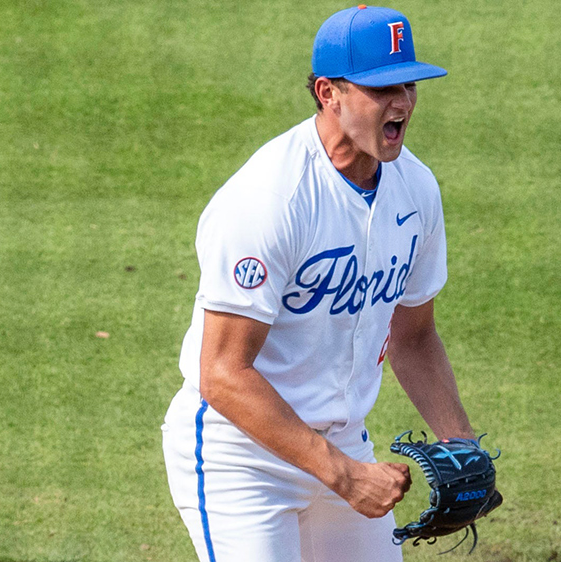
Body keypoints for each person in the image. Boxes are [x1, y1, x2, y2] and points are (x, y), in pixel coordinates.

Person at [162, 5, 479, 561]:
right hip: (241, 458)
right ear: (328, 93)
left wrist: (462, 445)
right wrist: (348, 479)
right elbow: (223, 372)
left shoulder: (416, 189)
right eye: (381, 87)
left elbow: (414, 336)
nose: (401, 102)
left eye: (407, 84)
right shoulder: (269, 199)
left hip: (343, 443)